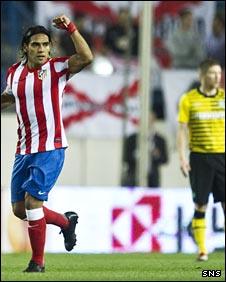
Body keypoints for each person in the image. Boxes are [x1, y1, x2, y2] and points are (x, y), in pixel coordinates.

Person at [1, 15, 93, 272]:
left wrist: (72, 29)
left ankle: (37, 263)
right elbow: (10, 97)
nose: (41, 49)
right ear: (25, 48)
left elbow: (86, 58)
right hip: (23, 150)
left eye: (45, 45)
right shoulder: (14, 72)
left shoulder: (57, 68)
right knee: (20, 209)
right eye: (36, 45)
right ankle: (66, 222)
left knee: (33, 203)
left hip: (51, 148)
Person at [177, 58, 225, 261]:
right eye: (213, 73)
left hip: (222, 156)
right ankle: (203, 250)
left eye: (219, 73)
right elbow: (181, 130)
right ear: (202, 75)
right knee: (200, 205)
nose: (217, 77)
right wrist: (181, 157)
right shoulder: (188, 100)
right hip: (199, 158)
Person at [122, 111, 168, 188]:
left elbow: (165, 160)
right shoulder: (131, 139)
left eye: (149, 120)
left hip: (153, 180)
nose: (147, 122)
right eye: (144, 120)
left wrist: (156, 155)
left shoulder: (160, 139)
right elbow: (125, 158)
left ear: (153, 121)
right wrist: (137, 155)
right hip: (132, 178)